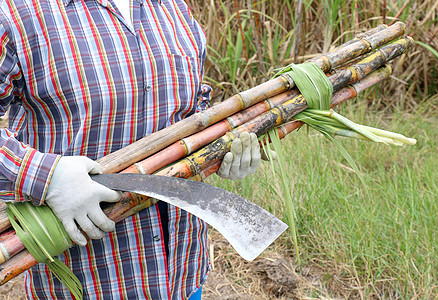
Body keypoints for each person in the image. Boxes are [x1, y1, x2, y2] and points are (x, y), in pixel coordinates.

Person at [0, 0, 261, 299]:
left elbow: (192, 106)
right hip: (90, 278)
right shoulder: (16, 13)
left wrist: (223, 148)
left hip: (183, 270)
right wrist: (45, 176)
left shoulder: (174, 7)